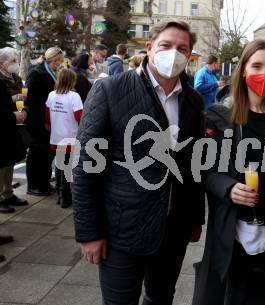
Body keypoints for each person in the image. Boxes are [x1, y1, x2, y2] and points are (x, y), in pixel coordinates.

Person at [73, 20, 205, 305]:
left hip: (173, 228)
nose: (174, 53)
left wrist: (196, 218)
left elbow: (195, 166)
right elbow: (86, 165)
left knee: (160, 298)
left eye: (182, 48)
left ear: (190, 54)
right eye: (166, 45)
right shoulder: (110, 89)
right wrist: (88, 232)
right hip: (122, 227)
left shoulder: (193, 101)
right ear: (149, 48)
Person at [193, 39, 265, 305]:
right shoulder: (220, 115)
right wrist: (228, 187)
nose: (264, 74)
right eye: (256, 66)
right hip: (238, 227)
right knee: (239, 295)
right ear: (243, 69)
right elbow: (206, 170)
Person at [25, 47, 64, 196]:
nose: (60, 63)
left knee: (47, 153)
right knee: (36, 153)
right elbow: (32, 99)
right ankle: (34, 185)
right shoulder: (37, 72)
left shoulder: (52, 72)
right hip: (37, 120)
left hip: (49, 118)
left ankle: (44, 182)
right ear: (52, 59)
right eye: (58, 60)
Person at [45, 69, 83, 208]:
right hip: (70, 136)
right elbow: (80, 117)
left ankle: (60, 193)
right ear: (72, 81)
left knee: (59, 165)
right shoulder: (74, 96)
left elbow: (47, 116)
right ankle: (66, 196)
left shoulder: (51, 95)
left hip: (56, 136)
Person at [0, 47, 28, 210]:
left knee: (9, 161)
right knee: (2, 163)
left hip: (13, 123)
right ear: (2, 63)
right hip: (4, 123)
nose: (15, 64)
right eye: (12, 61)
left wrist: (23, 110)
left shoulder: (15, 78)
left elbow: (21, 99)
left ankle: (8, 193)